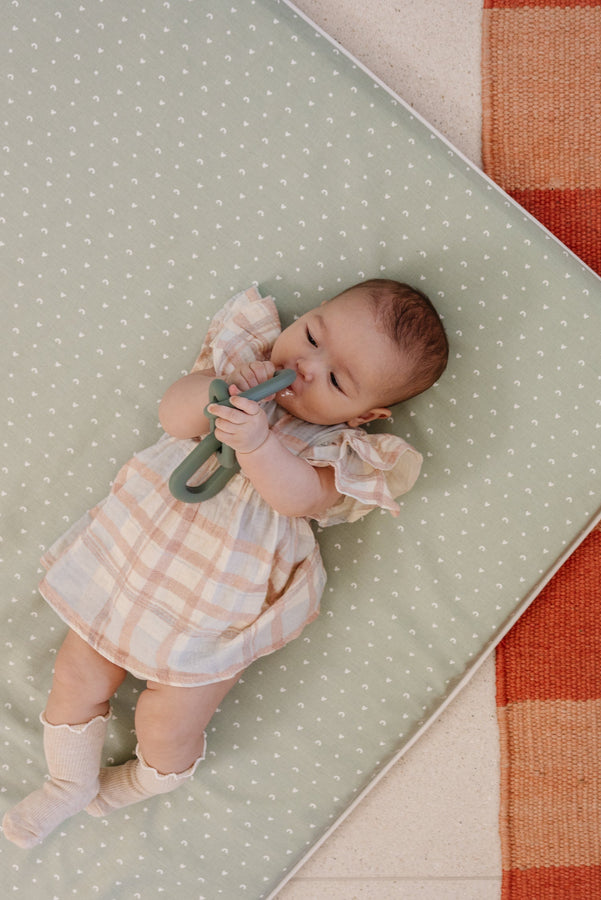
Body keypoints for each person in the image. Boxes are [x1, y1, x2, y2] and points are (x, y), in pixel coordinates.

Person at [2, 278, 448, 848]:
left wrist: (259, 445)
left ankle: (151, 778)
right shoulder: (238, 365)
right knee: (76, 672)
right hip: (130, 568)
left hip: (215, 606)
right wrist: (221, 393)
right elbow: (172, 416)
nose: (307, 366)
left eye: (337, 381)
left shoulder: (339, 450)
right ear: (304, 316)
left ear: (365, 415)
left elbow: (298, 499)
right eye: (311, 335)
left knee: (167, 720)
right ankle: (67, 780)